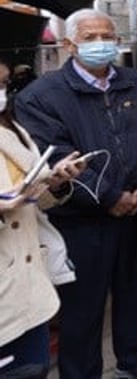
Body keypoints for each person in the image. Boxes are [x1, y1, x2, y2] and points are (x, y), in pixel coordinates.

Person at [14, 10, 137, 379]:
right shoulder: (40, 96)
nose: (101, 44)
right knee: (83, 307)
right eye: (90, 37)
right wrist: (111, 196)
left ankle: (134, 359)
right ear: (69, 45)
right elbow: (55, 156)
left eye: (108, 36)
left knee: (132, 290)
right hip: (83, 221)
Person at [0, 57, 84, 379]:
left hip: (30, 288)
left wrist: (57, 182)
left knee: (34, 369)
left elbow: (35, 201)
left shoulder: (14, 129)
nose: (2, 92)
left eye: (4, 84)